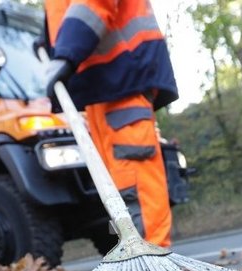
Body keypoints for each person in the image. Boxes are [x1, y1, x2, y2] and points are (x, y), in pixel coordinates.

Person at [43, 0, 178, 247]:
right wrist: (50, 41)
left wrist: (65, 51)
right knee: (115, 186)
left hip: (121, 77)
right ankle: (138, 260)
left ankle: (153, 261)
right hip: (103, 86)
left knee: (133, 176)